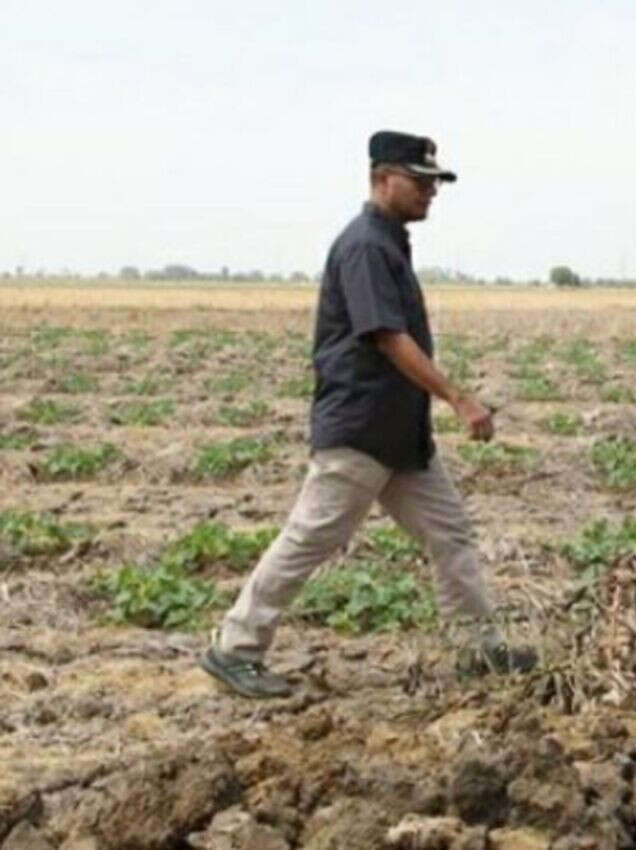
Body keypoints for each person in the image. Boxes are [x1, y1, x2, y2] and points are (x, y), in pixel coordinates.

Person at [198, 129, 536, 699]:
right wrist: (458, 397)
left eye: (435, 183)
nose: (432, 192)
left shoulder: (390, 242)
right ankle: (235, 647)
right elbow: (387, 337)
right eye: (421, 181)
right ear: (383, 178)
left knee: (450, 533)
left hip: (401, 437)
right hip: (360, 430)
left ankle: (479, 651)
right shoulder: (365, 246)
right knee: (311, 537)